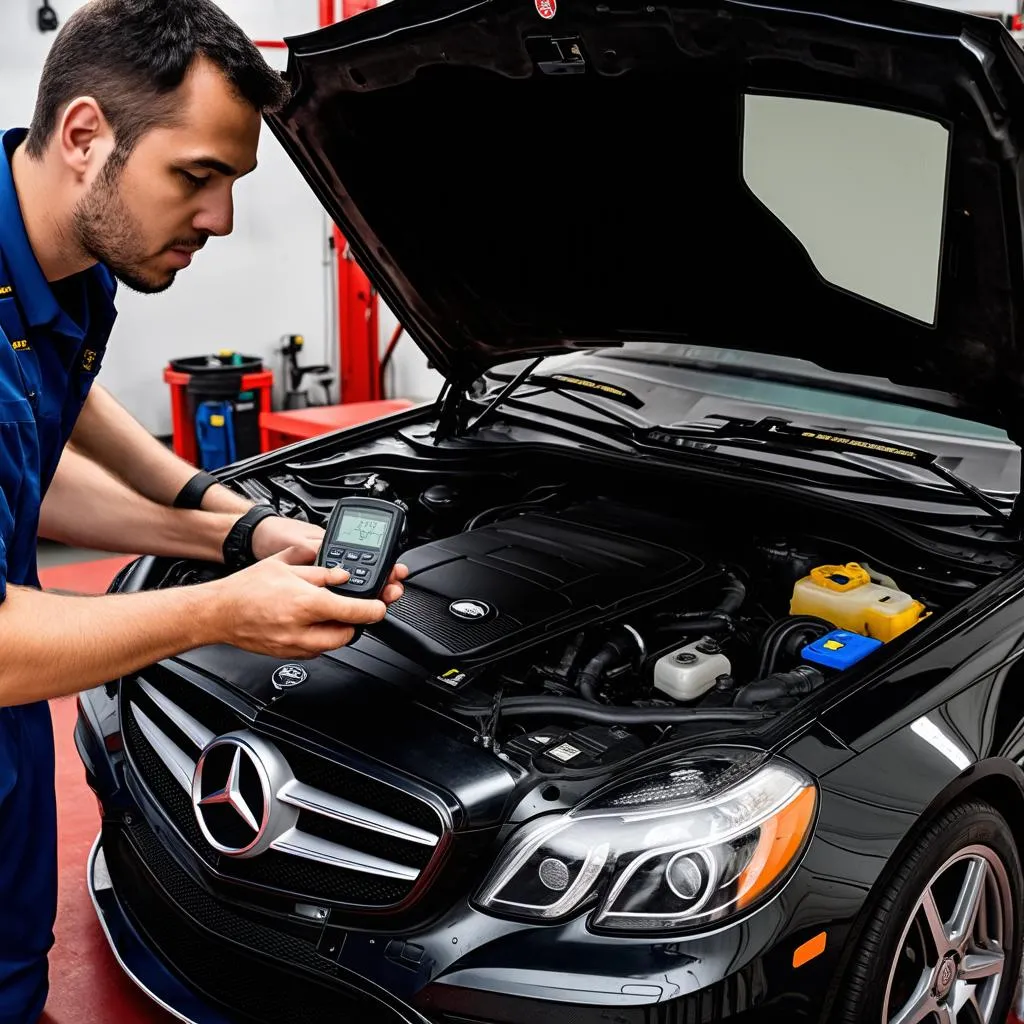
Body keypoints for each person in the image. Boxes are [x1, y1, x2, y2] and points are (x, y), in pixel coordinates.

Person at [0, 2, 409, 1021]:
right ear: (87, 134)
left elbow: (40, 443)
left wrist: (232, 524)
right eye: (197, 176)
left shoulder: (61, 260)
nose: (220, 220)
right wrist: (221, 607)